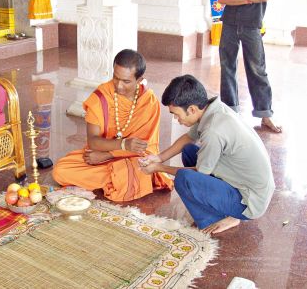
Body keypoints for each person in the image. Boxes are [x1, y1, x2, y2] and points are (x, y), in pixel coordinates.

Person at [139, 75, 275, 234]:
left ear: (191, 109)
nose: (176, 119)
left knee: (184, 179)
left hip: (249, 201)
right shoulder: (212, 108)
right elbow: (189, 137)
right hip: (248, 184)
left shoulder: (213, 131)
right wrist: (159, 157)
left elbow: (198, 172)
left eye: (176, 114)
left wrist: (158, 167)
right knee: (188, 150)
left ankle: (217, 218)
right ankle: (223, 208)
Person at [52, 49, 173, 201]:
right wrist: (122, 145)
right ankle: (119, 179)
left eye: (126, 81)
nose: (119, 86)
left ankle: (120, 179)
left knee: (143, 167)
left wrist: (106, 155)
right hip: (105, 153)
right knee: (60, 170)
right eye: (116, 78)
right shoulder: (101, 97)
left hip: (132, 158)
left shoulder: (149, 102)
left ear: (140, 79)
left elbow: (144, 148)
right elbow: (94, 142)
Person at [218, 0, 282, 133]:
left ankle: (265, 114)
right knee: (227, 67)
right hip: (229, 24)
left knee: (257, 69)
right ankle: (230, 111)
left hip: (252, 25)